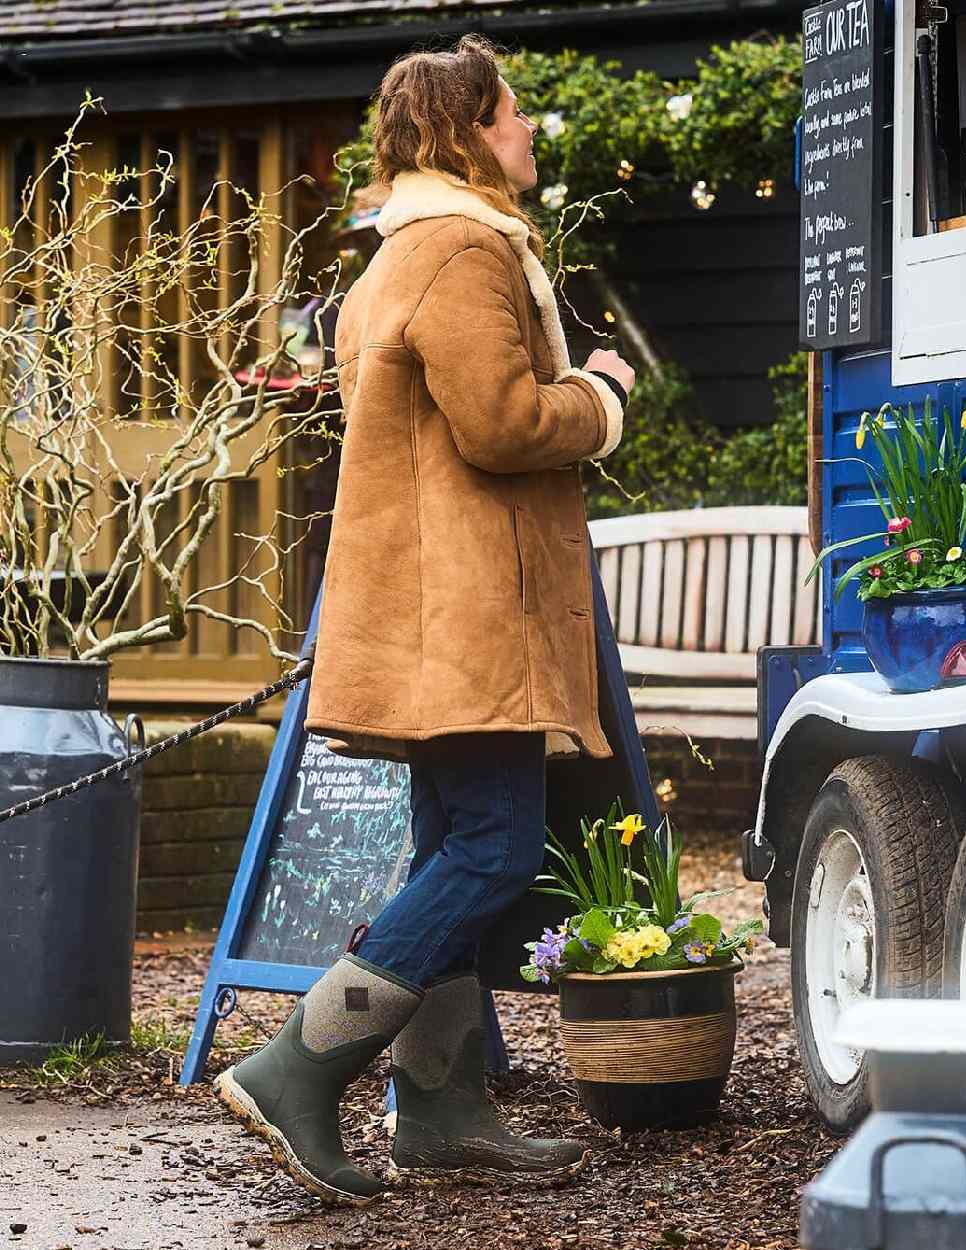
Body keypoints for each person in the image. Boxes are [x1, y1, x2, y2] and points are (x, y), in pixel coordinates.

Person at [214, 34, 635, 1206]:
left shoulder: (398, 253)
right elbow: (500, 423)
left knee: (456, 844)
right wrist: (599, 398)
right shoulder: (461, 249)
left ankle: (441, 1107)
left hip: (431, 614)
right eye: (512, 112)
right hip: (468, 617)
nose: (528, 128)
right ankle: (300, 1064)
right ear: (467, 135)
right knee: (495, 847)